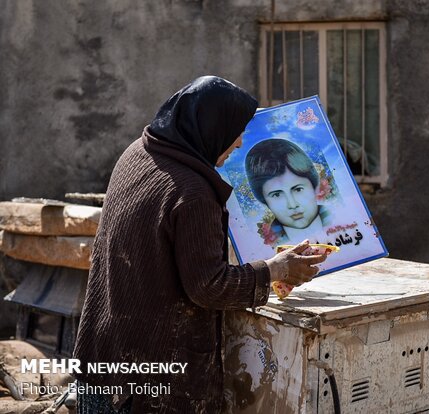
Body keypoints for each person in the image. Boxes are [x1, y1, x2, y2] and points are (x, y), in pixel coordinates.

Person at [73, 76, 327, 413]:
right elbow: (207, 287)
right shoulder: (193, 192)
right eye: (234, 131)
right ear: (211, 128)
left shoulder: (139, 152)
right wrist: (275, 270)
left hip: (101, 359)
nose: (238, 143)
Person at [245, 138, 331, 246]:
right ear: (264, 200)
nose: (292, 204)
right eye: (277, 195)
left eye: (298, 189)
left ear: (314, 186)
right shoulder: (266, 246)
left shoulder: (341, 217)